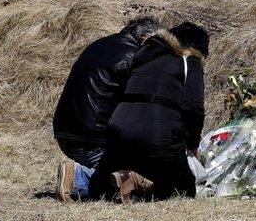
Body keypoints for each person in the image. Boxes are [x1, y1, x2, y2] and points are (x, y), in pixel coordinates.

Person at [89, 22, 209, 202]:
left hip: (118, 128)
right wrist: (192, 143)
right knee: (184, 190)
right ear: (195, 48)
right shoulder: (189, 61)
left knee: (103, 188)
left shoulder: (144, 57)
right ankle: (139, 183)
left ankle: (76, 177)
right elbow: (193, 106)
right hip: (157, 132)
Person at [53, 16, 163, 201]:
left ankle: (80, 175)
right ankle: (78, 179)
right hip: (92, 140)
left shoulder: (99, 44)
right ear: (146, 39)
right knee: (144, 180)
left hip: (65, 133)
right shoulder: (136, 57)